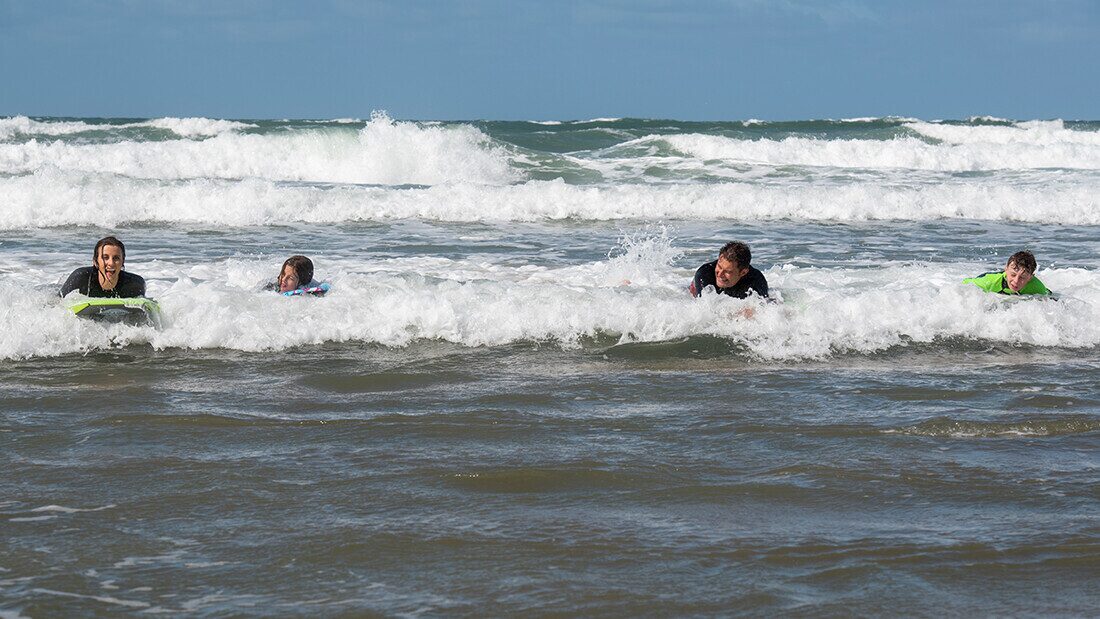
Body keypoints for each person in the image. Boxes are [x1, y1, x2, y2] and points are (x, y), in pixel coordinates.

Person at [59, 236, 146, 298]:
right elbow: (57, 304)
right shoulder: (81, 278)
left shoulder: (135, 284)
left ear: (122, 261)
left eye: (116, 258)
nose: (111, 263)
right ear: (95, 261)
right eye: (105, 257)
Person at [689, 241, 768, 299]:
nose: (719, 274)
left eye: (727, 271)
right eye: (719, 267)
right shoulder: (704, 274)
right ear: (719, 258)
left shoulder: (757, 281)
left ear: (743, 272)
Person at [964, 250, 1052, 296]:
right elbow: (965, 283)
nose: (1016, 281)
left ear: (1030, 278)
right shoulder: (990, 282)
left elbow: (1050, 297)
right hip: (989, 278)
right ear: (1006, 269)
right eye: (1013, 275)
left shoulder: (1037, 287)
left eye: (1022, 277)